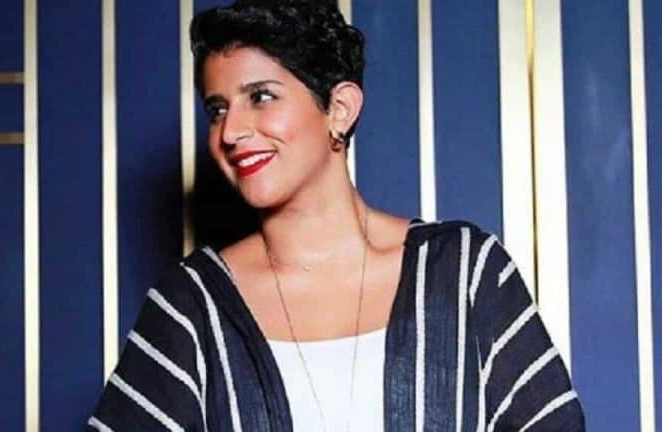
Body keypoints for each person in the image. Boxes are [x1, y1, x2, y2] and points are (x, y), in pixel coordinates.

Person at [88, 1, 585, 430]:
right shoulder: (191, 305)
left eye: (261, 97)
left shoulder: (465, 274)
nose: (231, 131)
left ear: (339, 109)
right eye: (217, 109)